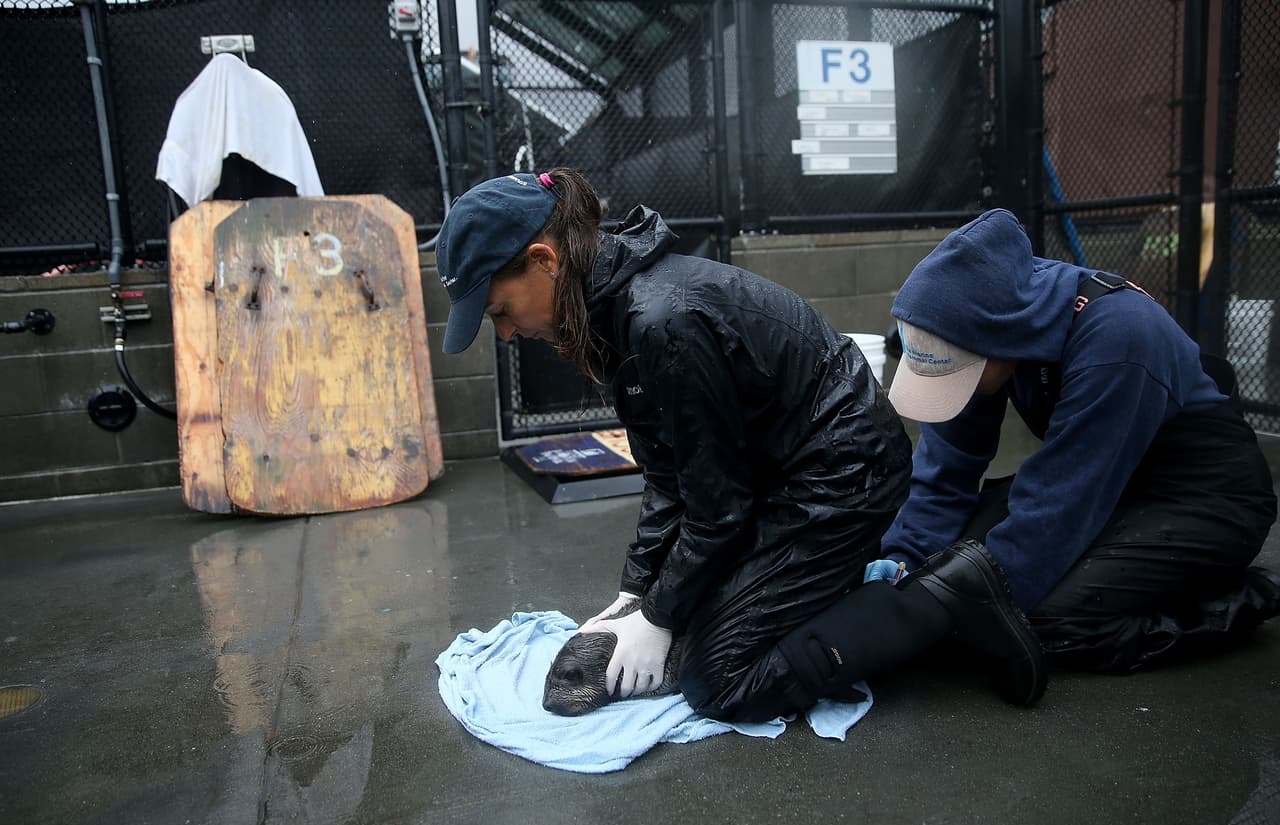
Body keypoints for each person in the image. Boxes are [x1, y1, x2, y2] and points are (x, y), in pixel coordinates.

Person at [435, 168, 984, 722]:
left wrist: (658, 617)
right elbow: (669, 476)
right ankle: (819, 593)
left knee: (718, 682)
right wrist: (634, 595)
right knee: (690, 611)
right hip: (775, 471)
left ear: (544, 261)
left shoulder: (662, 322)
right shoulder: (613, 310)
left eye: (500, 311)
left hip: (843, 477)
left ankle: (930, 601)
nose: (504, 332)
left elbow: (718, 511)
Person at [873, 208, 1280, 682]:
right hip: (1108, 478)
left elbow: (1058, 505)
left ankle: (1241, 597)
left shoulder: (1121, 335)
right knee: (953, 561)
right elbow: (946, 474)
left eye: (959, 373)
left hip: (1203, 499)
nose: (951, 387)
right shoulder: (977, 312)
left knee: (1039, 619)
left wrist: (950, 611)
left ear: (1003, 340)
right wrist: (901, 561)